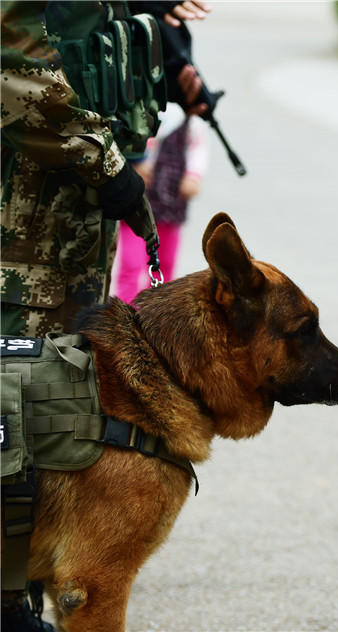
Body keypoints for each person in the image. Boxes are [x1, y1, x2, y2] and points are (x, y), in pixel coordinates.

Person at [0, 3, 209, 629]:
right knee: (11, 413)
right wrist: (107, 162)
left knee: (57, 424)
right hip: (17, 239)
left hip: (73, 239)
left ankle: (18, 596)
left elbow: (90, 50)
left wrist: (160, 53)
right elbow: (13, 71)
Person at [114, 109, 209, 302]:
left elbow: (197, 147)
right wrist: (134, 164)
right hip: (137, 203)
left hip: (170, 203)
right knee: (131, 266)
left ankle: (156, 317)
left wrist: (193, 176)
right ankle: (124, 315)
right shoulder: (139, 105)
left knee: (164, 266)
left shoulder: (189, 117)